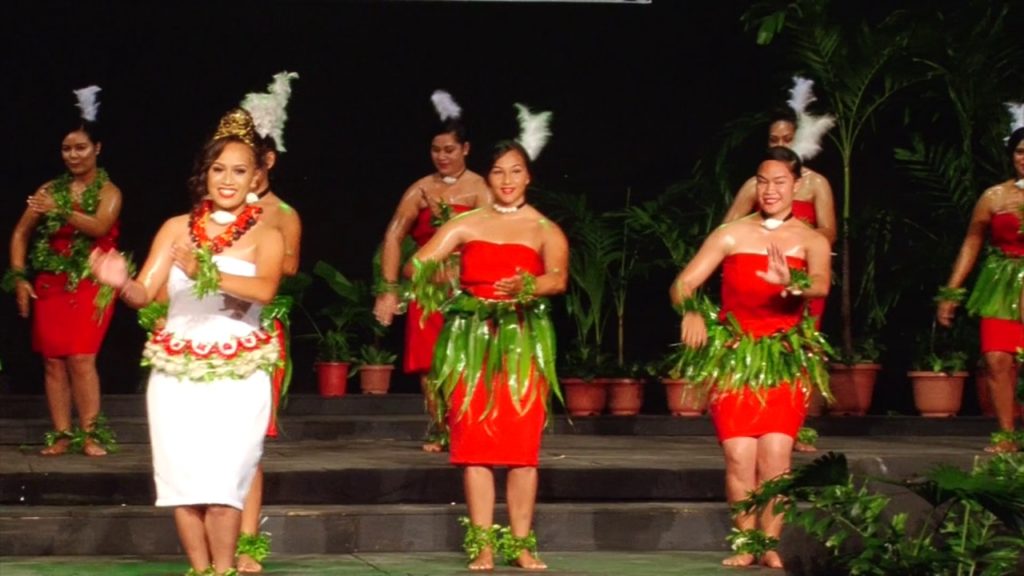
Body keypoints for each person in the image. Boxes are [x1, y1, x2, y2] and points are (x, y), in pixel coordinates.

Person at [90, 108, 284, 576]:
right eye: (219, 169)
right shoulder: (176, 229)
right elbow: (145, 292)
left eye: (240, 170)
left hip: (238, 372)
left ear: (257, 176)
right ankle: (201, 570)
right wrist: (120, 284)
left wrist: (206, 272)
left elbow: (264, 291)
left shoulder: (267, 235)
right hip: (177, 372)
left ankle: (225, 569)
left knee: (223, 483)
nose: (228, 180)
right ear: (205, 174)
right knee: (183, 484)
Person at [408, 119, 567, 571]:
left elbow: (558, 278)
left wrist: (529, 286)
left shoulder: (543, 228)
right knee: (475, 446)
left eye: (515, 171)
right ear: (489, 177)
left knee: (521, 451)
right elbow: (417, 264)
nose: (507, 181)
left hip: (522, 341)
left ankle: (520, 544)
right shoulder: (466, 224)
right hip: (471, 342)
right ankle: (482, 544)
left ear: (528, 176)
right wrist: (441, 275)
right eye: (498, 172)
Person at [670, 147, 832, 569]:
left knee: (775, 456)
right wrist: (691, 309)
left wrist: (790, 281)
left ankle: (769, 542)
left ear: (797, 185)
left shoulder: (812, 240)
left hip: (782, 358)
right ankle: (745, 541)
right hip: (734, 357)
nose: (770, 190)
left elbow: (820, 285)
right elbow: (684, 283)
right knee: (740, 456)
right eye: (763, 181)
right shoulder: (732, 234)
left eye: (780, 182)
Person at [721, 78, 837, 454]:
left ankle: (794, 426)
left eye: (787, 137)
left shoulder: (816, 184)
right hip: (759, 279)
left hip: (801, 275)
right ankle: (757, 419)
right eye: (774, 139)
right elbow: (727, 227)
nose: (780, 143)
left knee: (802, 349)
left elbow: (829, 231)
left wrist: (796, 242)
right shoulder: (755, 185)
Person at [6, 85, 122, 456]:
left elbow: (100, 227)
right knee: (54, 361)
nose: (72, 155)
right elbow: (21, 234)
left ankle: (91, 434)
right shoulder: (48, 189)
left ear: (97, 149)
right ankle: (61, 433)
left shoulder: (109, 192)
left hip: (91, 280)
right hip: (51, 284)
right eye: (66, 149)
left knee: (82, 357)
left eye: (81, 147)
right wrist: (20, 276)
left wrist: (59, 209)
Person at [373, 90, 490, 452]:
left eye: (450, 150)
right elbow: (393, 236)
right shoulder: (420, 190)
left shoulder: (481, 189)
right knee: (428, 365)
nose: (442, 156)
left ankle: (468, 426)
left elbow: (491, 237)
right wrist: (389, 289)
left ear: (466, 149)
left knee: (465, 360)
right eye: (436, 150)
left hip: (466, 290)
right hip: (427, 290)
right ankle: (441, 428)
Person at [235, 71, 303, 574]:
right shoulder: (207, 211)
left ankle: (247, 544)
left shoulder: (282, 214)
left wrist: (251, 237)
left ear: (267, 162)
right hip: (208, 332)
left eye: (246, 165)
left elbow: (288, 267)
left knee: (249, 443)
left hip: (260, 332)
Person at [937, 124, 1024, 454]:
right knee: (996, 357)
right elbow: (971, 244)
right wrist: (950, 294)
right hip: (999, 284)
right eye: (1019, 151)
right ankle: (1006, 436)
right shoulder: (994, 197)